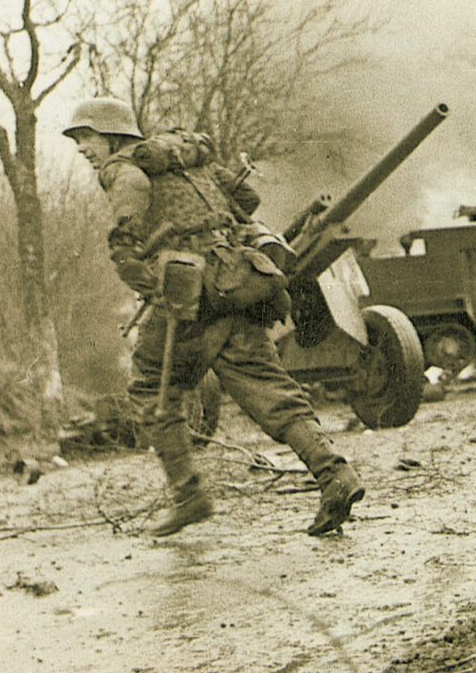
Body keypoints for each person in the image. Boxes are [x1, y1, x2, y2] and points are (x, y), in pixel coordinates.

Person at [63, 97, 364, 537]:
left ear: (112, 136)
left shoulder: (124, 171)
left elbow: (124, 242)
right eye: (77, 140)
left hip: (194, 299)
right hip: (239, 284)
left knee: (150, 384)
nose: (82, 149)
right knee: (271, 389)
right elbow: (247, 196)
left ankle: (189, 496)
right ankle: (335, 474)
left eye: (86, 138)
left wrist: (150, 282)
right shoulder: (185, 158)